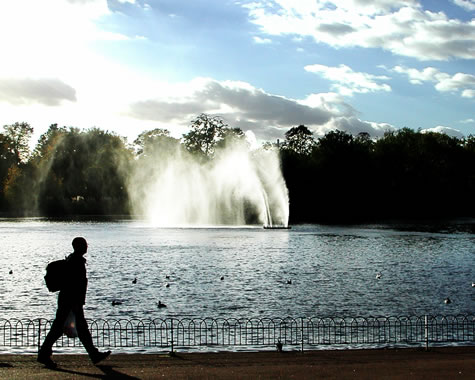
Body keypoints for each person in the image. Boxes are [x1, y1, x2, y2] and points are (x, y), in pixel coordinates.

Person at [38, 237, 111, 368]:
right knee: (61, 328)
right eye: (84, 245)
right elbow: (75, 284)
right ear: (79, 247)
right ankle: (44, 354)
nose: (86, 247)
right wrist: (77, 303)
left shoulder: (73, 259)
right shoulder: (76, 262)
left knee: (75, 328)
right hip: (71, 300)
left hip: (69, 299)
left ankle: (93, 354)